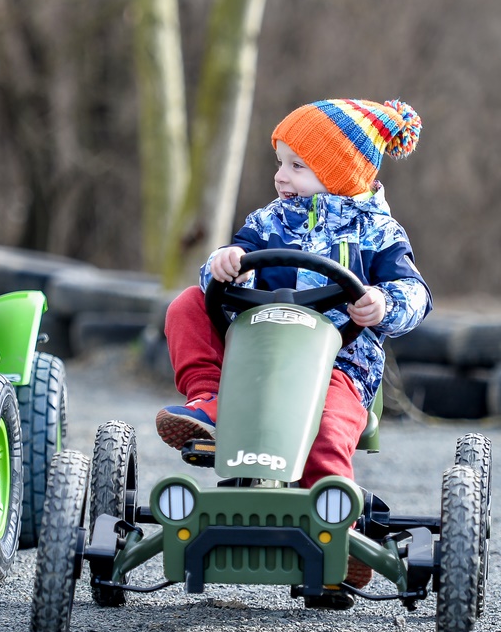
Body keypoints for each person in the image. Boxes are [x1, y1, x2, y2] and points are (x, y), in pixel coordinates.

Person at [156, 98, 432, 604]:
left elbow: (416, 294)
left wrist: (382, 303)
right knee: (187, 305)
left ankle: (334, 539)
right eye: (279, 162)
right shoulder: (269, 221)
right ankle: (210, 402)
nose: (282, 176)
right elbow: (225, 262)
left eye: (297, 166)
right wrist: (226, 262)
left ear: (339, 172)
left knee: (326, 434)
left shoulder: (380, 235)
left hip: (338, 363)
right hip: (255, 354)